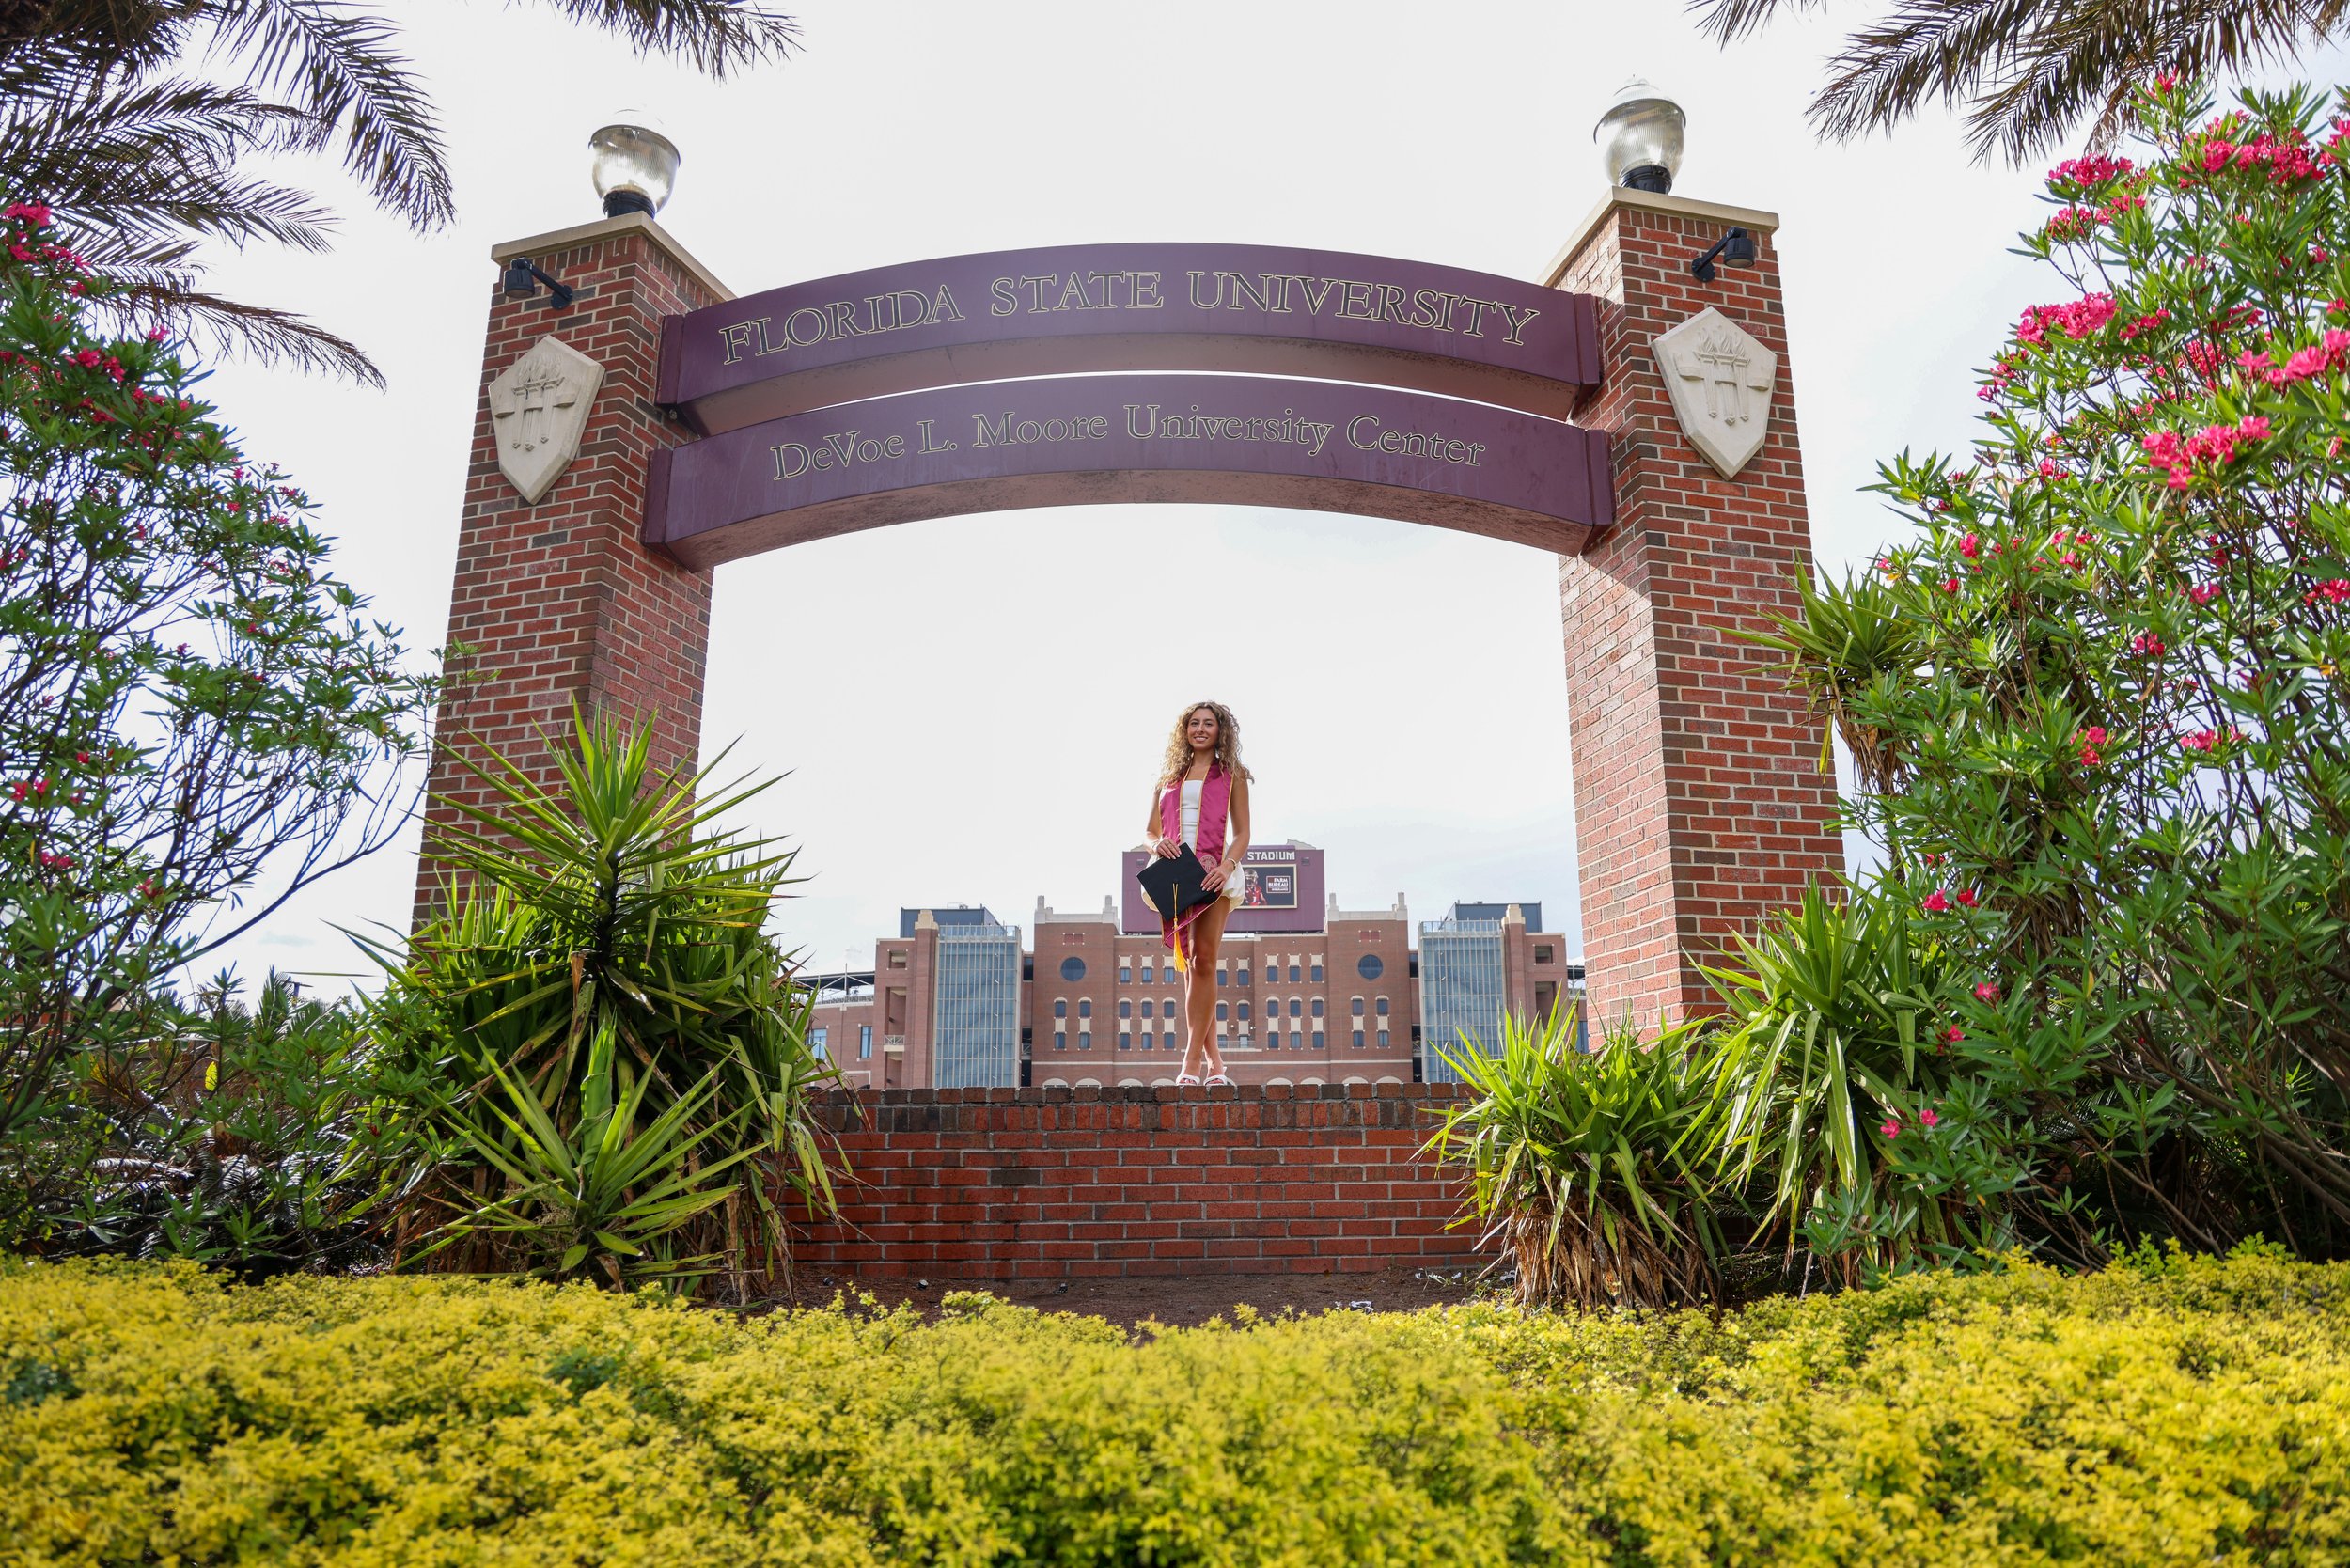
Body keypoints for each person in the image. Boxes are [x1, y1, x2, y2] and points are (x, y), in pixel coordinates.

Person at [1143, 699, 1252, 1088]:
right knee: (1189, 961)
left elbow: (1242, 833)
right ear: (1184, 730)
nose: (1201, 729)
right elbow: (1150, 831)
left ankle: (1190, 1065)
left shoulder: (1232, 775)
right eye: (1194, 723)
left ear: (1221, 730)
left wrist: (1226, 867)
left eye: (1209, 723)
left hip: (1213, 874)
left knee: (1205, 959)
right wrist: (1156, 846)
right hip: (1175, 874)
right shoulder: (1169, 777)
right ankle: (1217, 1067)